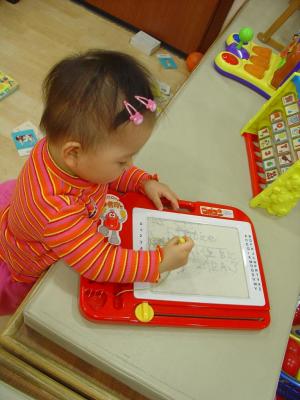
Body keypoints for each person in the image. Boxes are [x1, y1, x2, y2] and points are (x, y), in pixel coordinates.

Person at [0, 50, 194, 315]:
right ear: (74, 153)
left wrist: (142, 181)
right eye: (123, 161)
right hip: (30, 264)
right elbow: (100, 263)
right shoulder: (58, 211)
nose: (128, 166)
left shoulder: (61, 149)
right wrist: (158, 261)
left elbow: (107, 172)